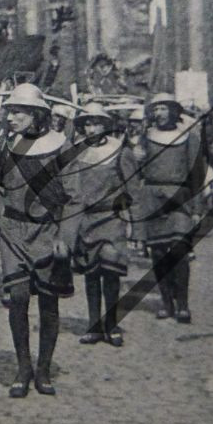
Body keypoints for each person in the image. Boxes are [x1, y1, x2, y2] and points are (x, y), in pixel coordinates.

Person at [0, 84, 73, 397]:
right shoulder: (7, 145)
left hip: (49, 232)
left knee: (48, 302)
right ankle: (23, 368)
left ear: (37, 115)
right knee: (19, 298)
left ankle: (44, 369)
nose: (12, 117)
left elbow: (74, 197)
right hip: (14, 233)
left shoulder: (61, 147)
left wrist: (65, 237)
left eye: (19, 112)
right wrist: (2, 219)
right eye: (10, 111)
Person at [131, 93, 207, 324]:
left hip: (179, 197)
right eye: (155, 109)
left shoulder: (189, 137)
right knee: (158, 253)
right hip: (152, 198)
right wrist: (136, 156)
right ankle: (166, 302)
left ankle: (183, 304)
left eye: (164, 108)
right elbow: (137, 171)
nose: (159, 113)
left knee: (179, 252)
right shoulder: (145, 137)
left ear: (174, 111)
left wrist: (196, 207)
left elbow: (197, 173)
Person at [61, 102, 131, 347]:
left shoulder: (119, 150)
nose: (92, 129)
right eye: (87, 124)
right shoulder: (76, 152)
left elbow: (131, 184)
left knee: (110, 271)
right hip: (85, 220)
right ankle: (94, 325)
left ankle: (111, 324)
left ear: (106, 126)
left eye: (97, 123)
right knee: (91, 274)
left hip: (111, 218)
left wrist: (132, 217)